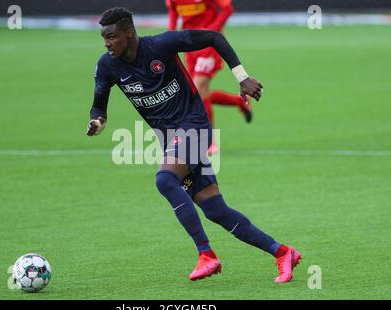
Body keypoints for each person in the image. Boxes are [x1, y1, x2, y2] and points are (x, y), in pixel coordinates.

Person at [87, 7, 301, 283]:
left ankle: (206, 255)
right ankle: (283, 253)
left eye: (112, 37)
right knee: (215, 210)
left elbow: (213, 38)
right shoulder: (107, 65)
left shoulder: (161, 45)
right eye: (104, 37)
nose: (107, 43)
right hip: (170, 138)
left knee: (165, 180)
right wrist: (97, 122)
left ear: (129, 32)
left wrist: (242, 77)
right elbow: (98, 107)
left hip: (194, 125)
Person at [166, 0, 252, 154]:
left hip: (208, 45)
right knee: (196, 93)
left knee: (199, 87)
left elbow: (227, 9)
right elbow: (173, 12)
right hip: (189, 45)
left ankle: (209, 142)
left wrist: (212, 31)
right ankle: (239, 101)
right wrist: (169, 37)